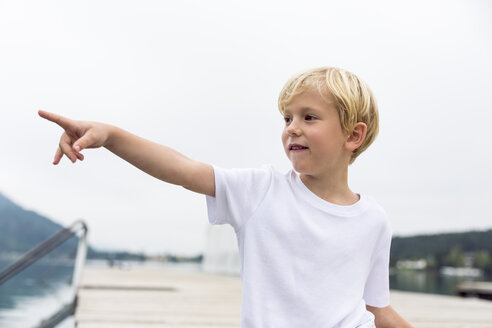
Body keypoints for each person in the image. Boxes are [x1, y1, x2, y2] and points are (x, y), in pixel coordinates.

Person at [39, 66, 413, 328]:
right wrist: (111, 136)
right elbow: (183, 169)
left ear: (353, 136)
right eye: (287, 118)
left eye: (309, 117)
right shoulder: (261, 191)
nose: (292, 128)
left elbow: (375, 308)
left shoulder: (373, 220)